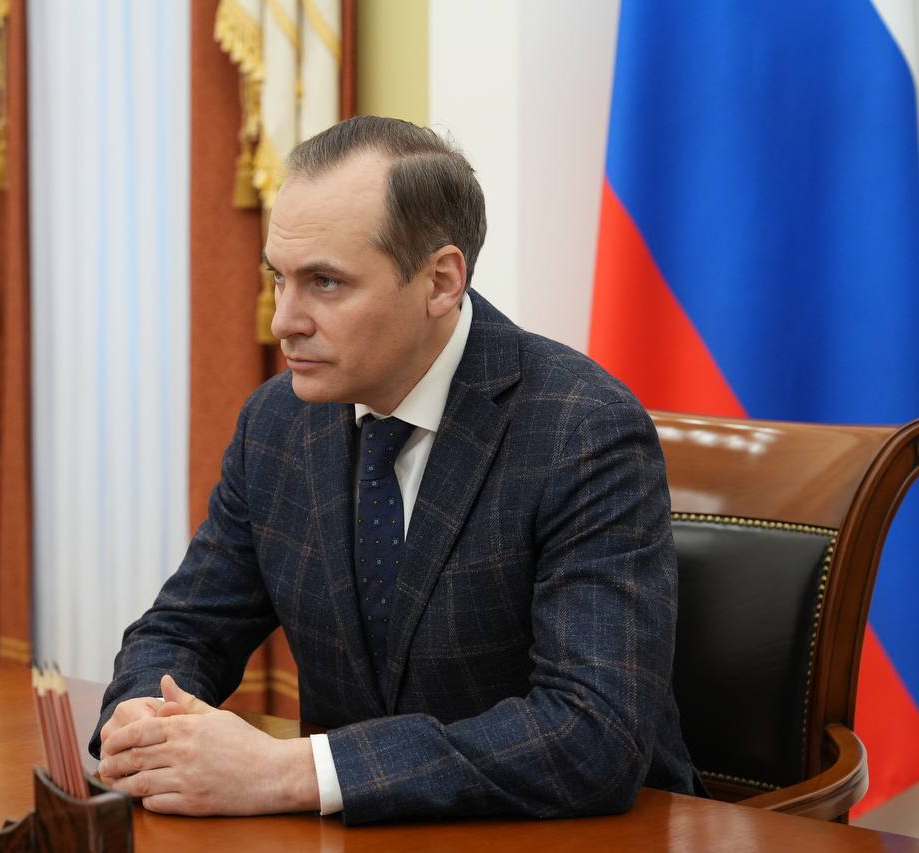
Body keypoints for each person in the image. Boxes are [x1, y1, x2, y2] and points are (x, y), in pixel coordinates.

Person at [90, 115, 700, 825]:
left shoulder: (582, 429)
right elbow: (184, 628)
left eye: (324, 282)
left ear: (440, 281)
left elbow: (589, 736)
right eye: (278, 278)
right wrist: (145, 721)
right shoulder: (277, 423)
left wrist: (293, 770)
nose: (284, 320)